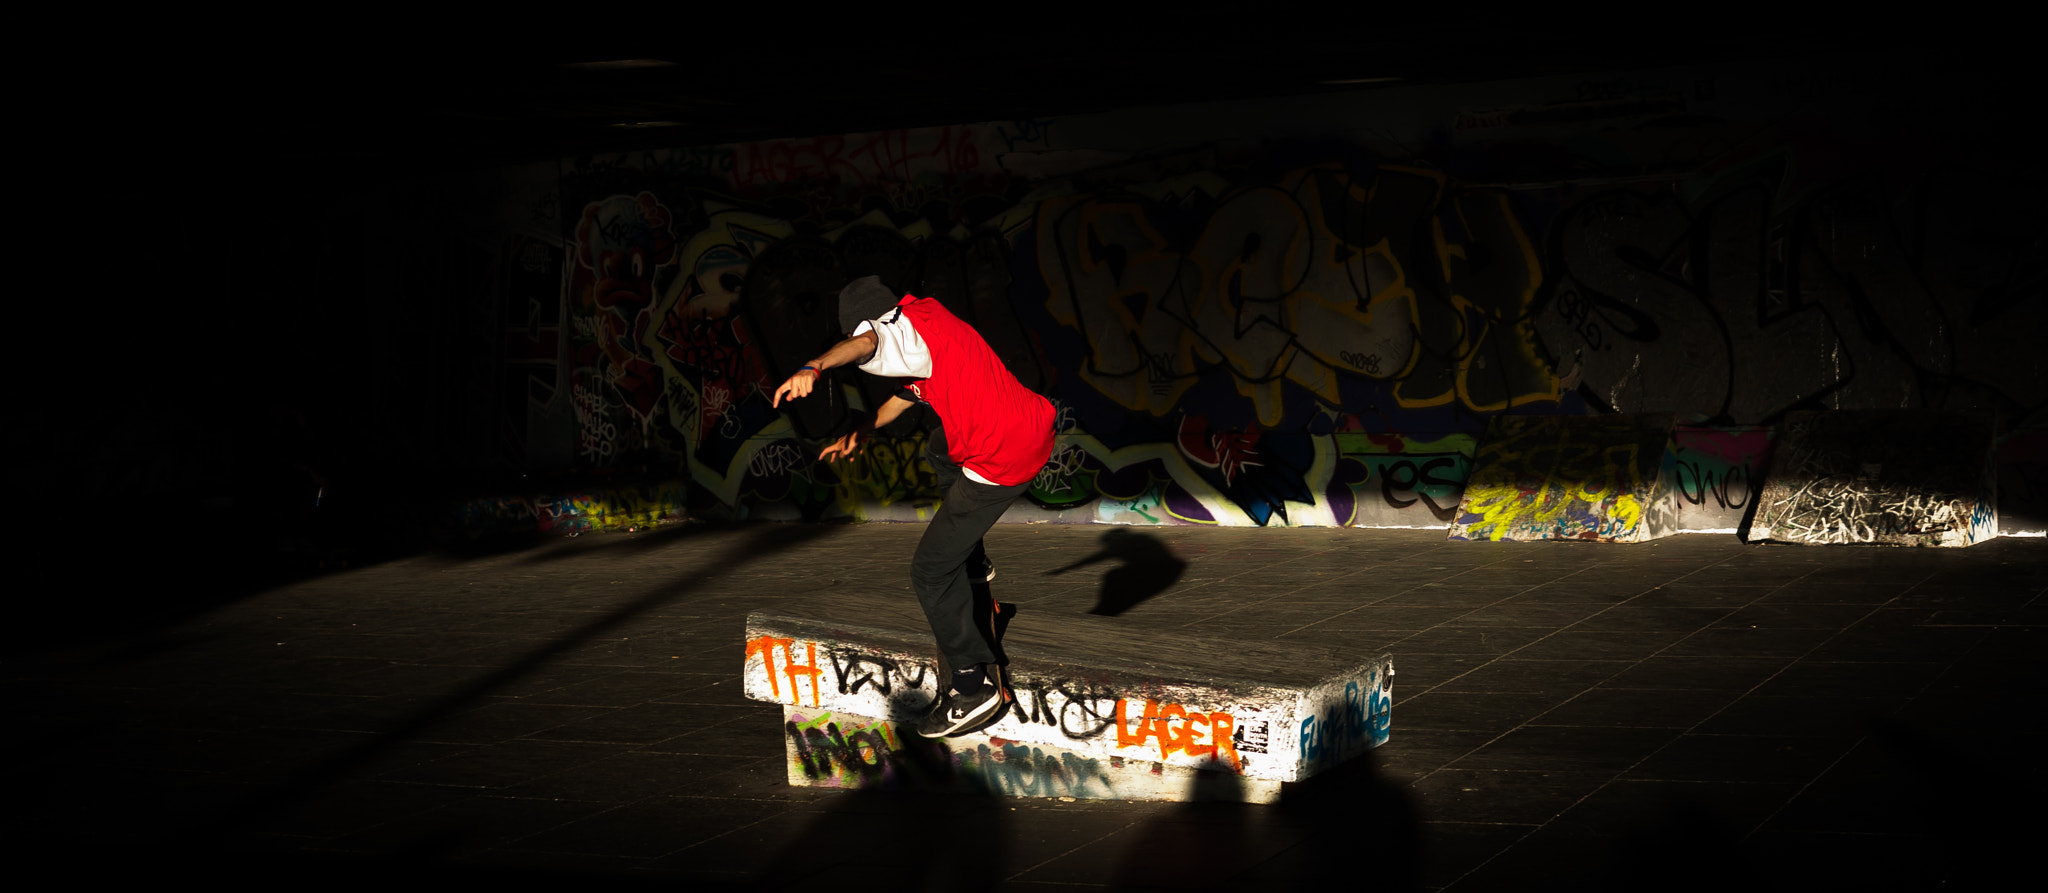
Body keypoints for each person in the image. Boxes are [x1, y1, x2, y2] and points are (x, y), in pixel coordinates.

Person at [773, 276, 1054, 737]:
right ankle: (973, 559)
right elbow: (908, 394)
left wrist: (814, 366)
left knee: (929, 570)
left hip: (1003, 456)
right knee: (939, 448)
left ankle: (971, 688)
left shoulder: (888, 332)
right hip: (1029, 421)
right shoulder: (928, 319)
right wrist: (866, 427)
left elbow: (867, 342)